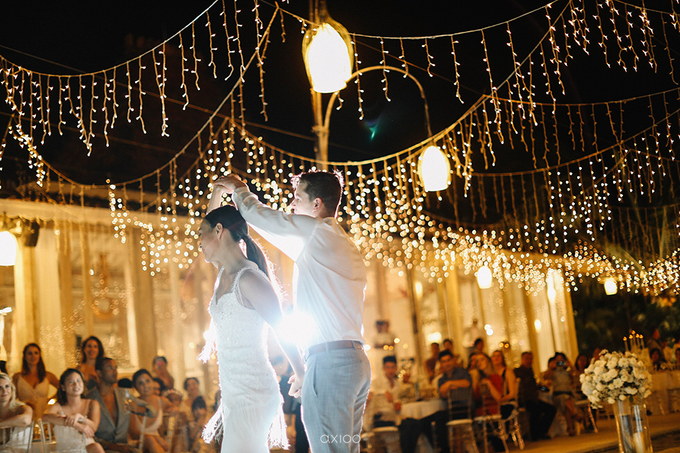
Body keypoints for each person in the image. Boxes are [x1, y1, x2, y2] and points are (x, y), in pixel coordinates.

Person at [216, 171, 371, 453]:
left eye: (297, 198)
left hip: (330, 363)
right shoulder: (342, 244)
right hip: (355, 363)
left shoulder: (315, 232)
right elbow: (267, 226)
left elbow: (261, 217)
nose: (291, 205)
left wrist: (239, 189)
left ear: (317, 204)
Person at [198, 201, 306, 453]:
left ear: (219, 231)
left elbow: (281, 327)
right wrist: (216, 192)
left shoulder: (248, 279)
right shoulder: (224, 273)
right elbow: (211, 218)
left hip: (254, 393)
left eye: (201, 233)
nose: (198, 241)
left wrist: (300, 371)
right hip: (233, 394)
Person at [86, 357, 156, 453]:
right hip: (103, 450)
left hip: (125, 448)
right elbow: (88, 434)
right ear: (99, 373)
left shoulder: (124, 394)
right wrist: (114, 447)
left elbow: (153, 411)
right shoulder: (89, 398)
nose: (115, 371)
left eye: (115, 368)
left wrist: (138, 409)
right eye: (110, 368)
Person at [42, 369, 105, 453]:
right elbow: (45, 416)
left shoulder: (92, 404)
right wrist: (76, 425)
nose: (76, 384)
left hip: (88, 447)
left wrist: (80, 417)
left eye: (79, 381)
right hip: (66, 449)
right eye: (71, 382)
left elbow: (93, 428)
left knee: (96, 447)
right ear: (63, 387)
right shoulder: (58, 406)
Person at [128, 369, 177, 453]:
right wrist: (156, 438)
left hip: (157, 445)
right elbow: (134, 434)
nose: (146, 386)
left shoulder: (161, 401)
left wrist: (174, 410)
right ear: (135, 387)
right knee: (150, 440)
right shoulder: (133, 404)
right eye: (141, 383)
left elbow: (175, 408)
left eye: (148, 381)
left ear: (152, 382)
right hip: (138, 444)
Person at [513, 352, 555, 441]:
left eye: (530, 359)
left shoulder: (530, 371)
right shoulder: (517, 371)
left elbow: (535, 386)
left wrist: (544, 388)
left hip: (534, 399)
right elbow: (523, 387)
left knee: (551, 409)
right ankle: (534, 434)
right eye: (527, 358)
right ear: (522, 359)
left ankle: (541, 432)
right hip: (524, 400)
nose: (529, 361)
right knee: (536, 410)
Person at [12, 343, 59, 420]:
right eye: (29, 353)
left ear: (39, 355)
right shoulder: (17, 377)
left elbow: (63, 388)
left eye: (36, 353)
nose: (33, 356)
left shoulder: (48, 375)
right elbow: (12, 399)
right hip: (24, 417)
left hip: (43, 416)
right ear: (24, 356)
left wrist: (50, 400)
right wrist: (23, 404)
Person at [542, 352, 581, 436]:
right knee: (565, 399)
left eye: (562, 361)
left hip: (569, 395)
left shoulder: (567, 372)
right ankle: (575, 414)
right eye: (558, 361)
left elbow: (577, 377)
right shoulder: (553, 372)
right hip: (557, 396)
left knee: (567, 402)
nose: (560, 363)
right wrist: (551, 368)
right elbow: (545, 378)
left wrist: (571, 366)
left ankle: (570, 428)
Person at [0, 372, 33, 451]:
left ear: (12, 389)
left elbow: (25, 420)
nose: (4, 391)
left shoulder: (23, 408)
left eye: (7, 386)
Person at [490, 349, 518, 417]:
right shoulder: (491, 373)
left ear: (502, 358)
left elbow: (512, 393)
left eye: (498, 356)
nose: (496, 358)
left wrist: (501, 400)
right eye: (494, 356)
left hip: (507, 402)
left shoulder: (508, 372)